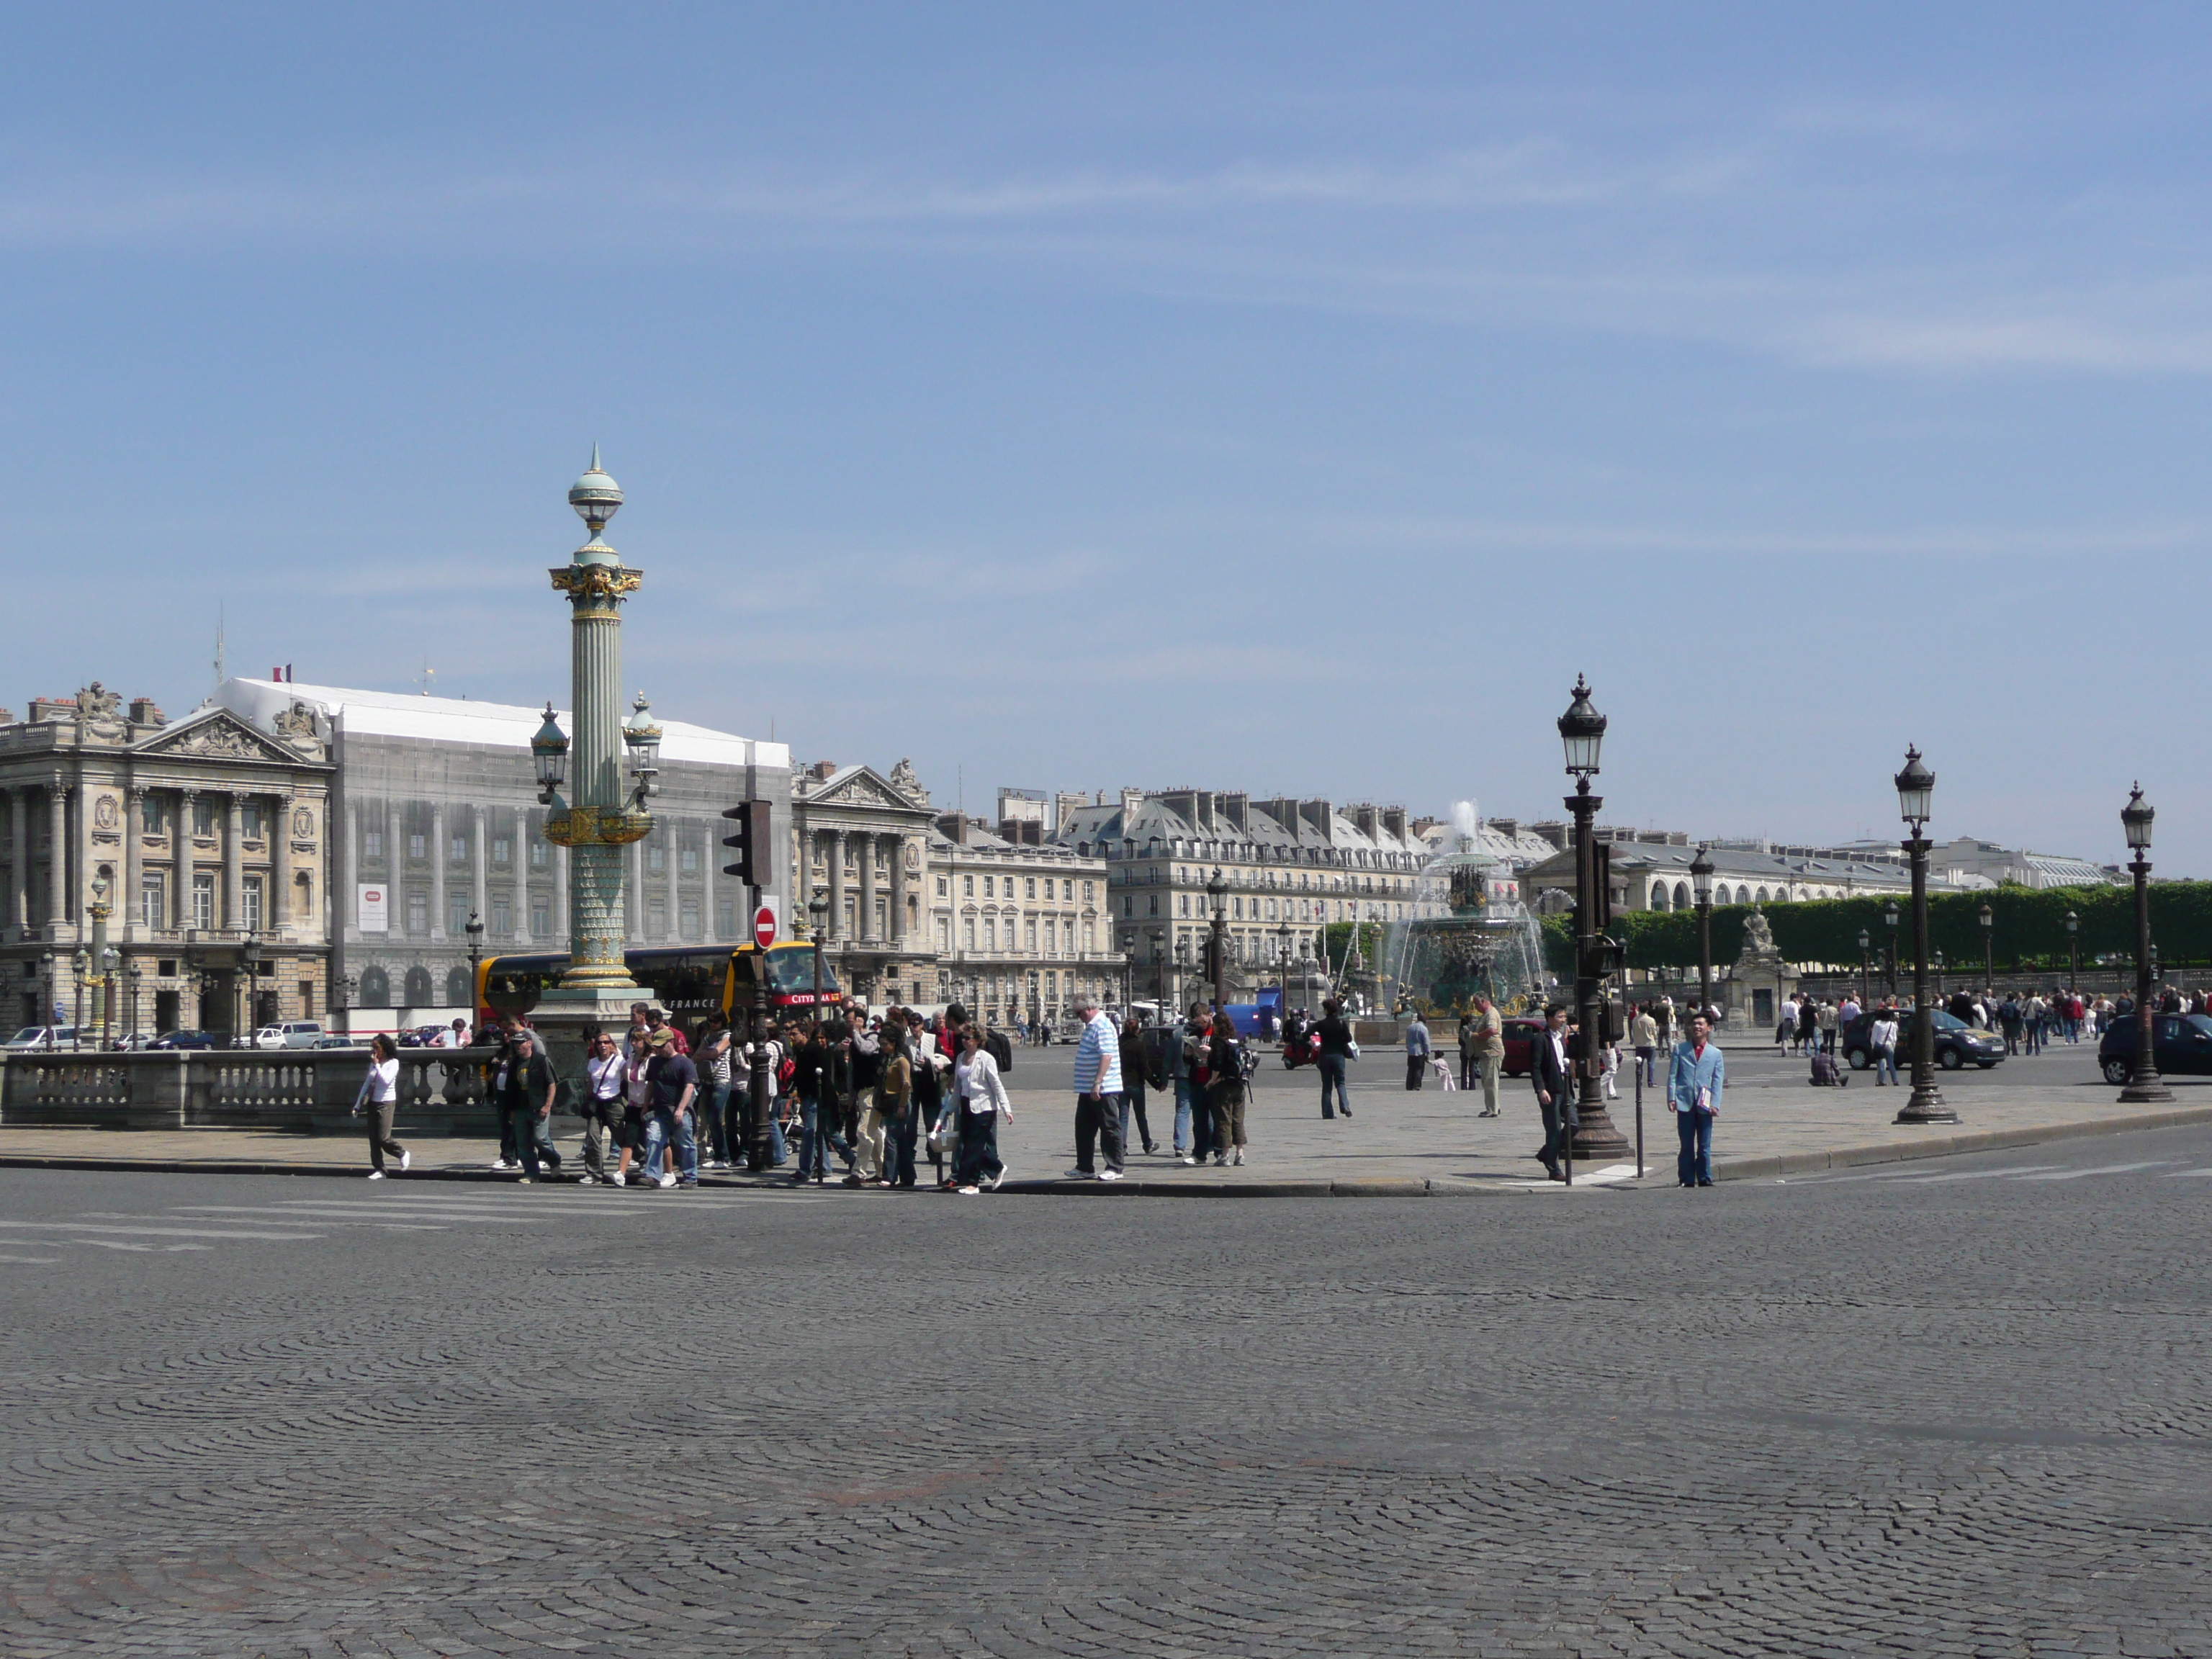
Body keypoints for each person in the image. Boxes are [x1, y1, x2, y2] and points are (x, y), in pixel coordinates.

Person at [1068, 991, 1125, 1181]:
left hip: (1103, 1088)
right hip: (1087, 1088)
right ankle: (1084, 1166)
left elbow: (1106, 1055)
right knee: (1083, 1129)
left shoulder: (1102, 1026)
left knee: (1109, 1127)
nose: (1078, 1017)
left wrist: (1098, 1082)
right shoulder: (1091, 1026)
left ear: (1089, 1009)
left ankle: (1115, 1167)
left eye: (1079, 1013)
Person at [952, 1023, 1012, 1192]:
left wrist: (1006, 1109)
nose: (964, 1041)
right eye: (962, 1038)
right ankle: (997, 1168)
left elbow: (996, 1085)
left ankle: (973, 1184)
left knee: (975, 1146)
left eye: (967, 1038)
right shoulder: (960, 1058)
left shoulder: (986, 1059)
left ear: (978, 1040)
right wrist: (948, 1109)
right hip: (966, 1104)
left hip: (985, 1107)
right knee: (969, 1144)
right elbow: (957, 1087)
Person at [637, 1026, 699, 1189]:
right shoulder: (654, 1061)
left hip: (680, 1112)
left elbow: (690, 1087)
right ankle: (652, 1175)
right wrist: (645, 1106)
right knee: (653, 1139)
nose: (658, 1050)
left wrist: (680, 1109)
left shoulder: (684, 1063)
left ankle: (690, 1177)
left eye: (661, 1046)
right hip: (659, 1111)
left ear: (671, 1042)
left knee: (685, 1145)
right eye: (656, 1047)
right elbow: (650, 1085)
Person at [1668, 1011, 1724, 1188]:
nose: (1697, 1027)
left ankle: (1704, 1177)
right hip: (1684, 1101)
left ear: (1709, 1028)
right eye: (1695, 1024)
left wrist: (1715, 1104)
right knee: (1686, 1145)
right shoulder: (1680, 1049)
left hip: (1705, 1104)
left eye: (1701, 1024)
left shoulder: (1715, 1054)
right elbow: (1672, 1076)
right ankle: (1686, 1178)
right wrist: (1671, 1097)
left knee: (1704, 1145)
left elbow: (1717, 1081)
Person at [503, 1028, 561, 1182]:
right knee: (523, 1143)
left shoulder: (541, 1060)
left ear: (529, 1043)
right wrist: (511, 1110)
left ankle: (554, 1159)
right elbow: (510, 1087)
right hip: (520, 1107)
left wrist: (547, 1105)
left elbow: (552, 1084)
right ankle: (531, 1173)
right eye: (516, 1043)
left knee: (540, 1138)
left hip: (538, 1106)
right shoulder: (515, 1062)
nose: (518, 1046)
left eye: (521, 1043)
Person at [352, 1033, 408, 1178]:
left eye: (377, 1048)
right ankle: (380, 1169)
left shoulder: (393, 1063)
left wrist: (377, 1065)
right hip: (373, 1103)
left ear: (385, 1047)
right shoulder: (374, 1063)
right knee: (374, 1140)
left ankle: (402, 1153)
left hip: (386, 1102)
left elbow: (386, 1081)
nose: (374, 1051)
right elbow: (367, 1084)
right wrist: (358, 1104)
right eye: (373, 1048)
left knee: (383, 1138)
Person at [1530, 1004, 1573, 1182]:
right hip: (1550, 1091)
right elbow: (1535, 1067)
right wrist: (1541, 1090)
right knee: (1554, 1130)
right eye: (1560, 1017)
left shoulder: (1561, 1039)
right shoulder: (1540, 1040)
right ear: (1549, 1019)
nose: (1563, 1020)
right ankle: (1553, 1169)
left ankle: (1546, 1153)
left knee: (1575, 1125)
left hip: (1565, 1090)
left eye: (1564, 1017)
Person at [581, 1030, 629, 1184]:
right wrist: (588, 1100)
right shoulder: (593, 1062)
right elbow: (590, 1082)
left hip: (613, 1102)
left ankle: (642, 1159)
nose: (603, 1045)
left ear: (612, 1045)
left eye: (606, 1042)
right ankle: (594, 1173)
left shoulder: (619, 1061)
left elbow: (628, 1078)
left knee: (621, 1137)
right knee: (593, 1138)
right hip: (597, 1103)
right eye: (600, 1043)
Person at [874, 1024, 916, 1189]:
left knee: (891, 1139)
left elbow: (906, 1084)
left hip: (900, 1101)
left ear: (894, 1043)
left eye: (886, 1044)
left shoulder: (901, 1061)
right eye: (881, 1044)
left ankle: (889, 1176)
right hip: (889, 1101)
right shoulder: (887, 1059)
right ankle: (908, 1177)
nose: (883, 1047)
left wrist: (902, 1105)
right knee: (901, 1141)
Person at [1119, 1012, 1161, 1156]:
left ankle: (1121, 1147)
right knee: (1141, 1116)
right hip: (1136, 1083)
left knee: (1122, 1117)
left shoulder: (1118, 1043)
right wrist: (1156, 1084)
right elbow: (1145, 1068)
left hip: (1120, 1083)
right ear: (1137, 1030)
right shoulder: (1139, 1045)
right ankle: (1147, 1144)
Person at [1208, 1012, 1246, 1166]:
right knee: (1238, 1120)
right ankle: (1240, 1154)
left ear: (1217, 1026)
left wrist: (1212, 1080)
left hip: (1224, 1086)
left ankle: (1225, 1156)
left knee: (1224, 1120)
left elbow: (1217, 1064)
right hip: (1240, 1084)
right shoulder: (1236, 1040)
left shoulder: (1218, 1042)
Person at [1315, 997, 1355, 1122]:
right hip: (1338, 1056)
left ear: (1326, 1010)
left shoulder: (1321, 1024)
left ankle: (1328, 1113)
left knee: (1327, 1086)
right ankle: (1345, 1106)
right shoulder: (1341, 1024)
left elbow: (1306, 1034)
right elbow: (1349, 1039)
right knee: (1341, 1083)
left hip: (1325, 1055)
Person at [1465, 994, 1503, 1118]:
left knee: (1490, 1081)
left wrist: (1477, 1036)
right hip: (1487, 1052)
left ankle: (1492, 1110)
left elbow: (1492, 1030)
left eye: (1477, 1004)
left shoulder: (1491, 1014)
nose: (1475, 1007)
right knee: (1488, 1080)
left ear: (1484, 1001)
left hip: (1492, 1052)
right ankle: (1494, 1106)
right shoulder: (1486, 1015)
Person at [1630, 1003, 1659, 1089]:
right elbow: (1654, 1032)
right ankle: (1651, 1082)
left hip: (1639, 1044)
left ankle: (1639, 1081)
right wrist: (1655, 1036)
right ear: (1647, 1010)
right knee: (1651, 1063)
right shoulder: (1651, 1020)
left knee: (1639, 1064)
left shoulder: (1635, 1020)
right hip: (1650, 1043)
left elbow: (1633, 1032)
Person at [1870, 1006, 1900, 1087]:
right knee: (1891, 1064)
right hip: (1889, 1044)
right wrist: (1893, 1046)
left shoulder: (1877, 1023)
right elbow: (1894, 1037)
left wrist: (1873, 1046)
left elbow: (1874, 1036)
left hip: (1879, 1044)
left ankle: (1882, 1081)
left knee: (1881, 1064)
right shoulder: (1893, 1024)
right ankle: (1895, 1080)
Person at [1403, 1009, 1430, 1090]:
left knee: (1411, 1069)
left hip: (1411, 1052)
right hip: (1419, 1052)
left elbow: (1407, 1040)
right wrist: (1427, 1052)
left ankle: (1409, 1086)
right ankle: (1417, 1086)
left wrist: (1408, 1048)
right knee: (1419, 1069)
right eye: (1425, 1017)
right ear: (1422, 1018)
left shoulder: (1410, 1027)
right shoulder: (1423, 1029)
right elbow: (1426, 1042)